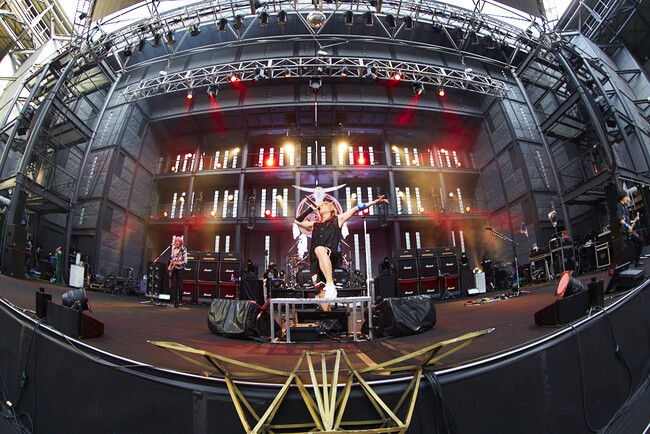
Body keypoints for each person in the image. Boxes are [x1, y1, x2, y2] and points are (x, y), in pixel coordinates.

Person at [294, 195, 389, 311]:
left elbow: (355, 209)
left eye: (324, 204)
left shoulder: (337, 219)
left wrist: (375, 201)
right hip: (316, 259)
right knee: (320, 291)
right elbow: (297, 221)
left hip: (331, 253)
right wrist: (309, 209)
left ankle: (330, 283)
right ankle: (328, 316)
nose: (321, 205)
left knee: (319, 249)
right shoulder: (315, 224)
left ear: (330, 209)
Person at [617, 190, 644, 267]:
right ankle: (633, 262)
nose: (626, 198)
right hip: (624, 230)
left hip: (628, 229)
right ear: (622, 197)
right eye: (625, 197)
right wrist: (628, 226)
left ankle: (636, 261)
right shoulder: (619, 206)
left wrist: (634, 220)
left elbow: (626, 219)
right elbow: (620, 219)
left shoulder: (625, 206)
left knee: (640, 242)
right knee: (629, 247)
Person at [168, 237, 187, 308]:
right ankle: (174, 301)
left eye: (178, 241)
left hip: (180, 269)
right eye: (176, 241)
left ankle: (180, 301)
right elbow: (172, 259)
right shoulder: (173, 250)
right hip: (174, 269)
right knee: (174, 285)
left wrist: (178, 264)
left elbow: (185, 261)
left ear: (180, 243)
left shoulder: (183, 250)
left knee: (179, 285)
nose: (176, 243)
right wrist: (170, 266)